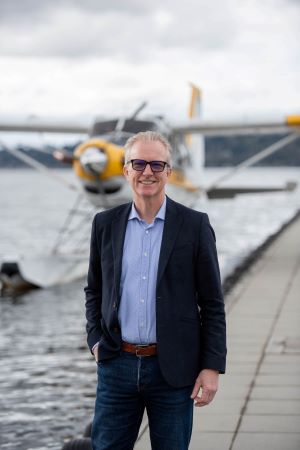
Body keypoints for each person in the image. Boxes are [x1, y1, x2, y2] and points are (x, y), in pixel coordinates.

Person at [84, 131, 226, 450]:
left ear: (168, 172)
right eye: (138, 163)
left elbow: (212, 304)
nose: (147, 171)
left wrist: (211, 366)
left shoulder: (195, 225)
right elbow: (94, 290)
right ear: (126, 170)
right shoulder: (104, 224)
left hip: (173, 370)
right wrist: (94, 340)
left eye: (157, 164)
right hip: (116, 366)